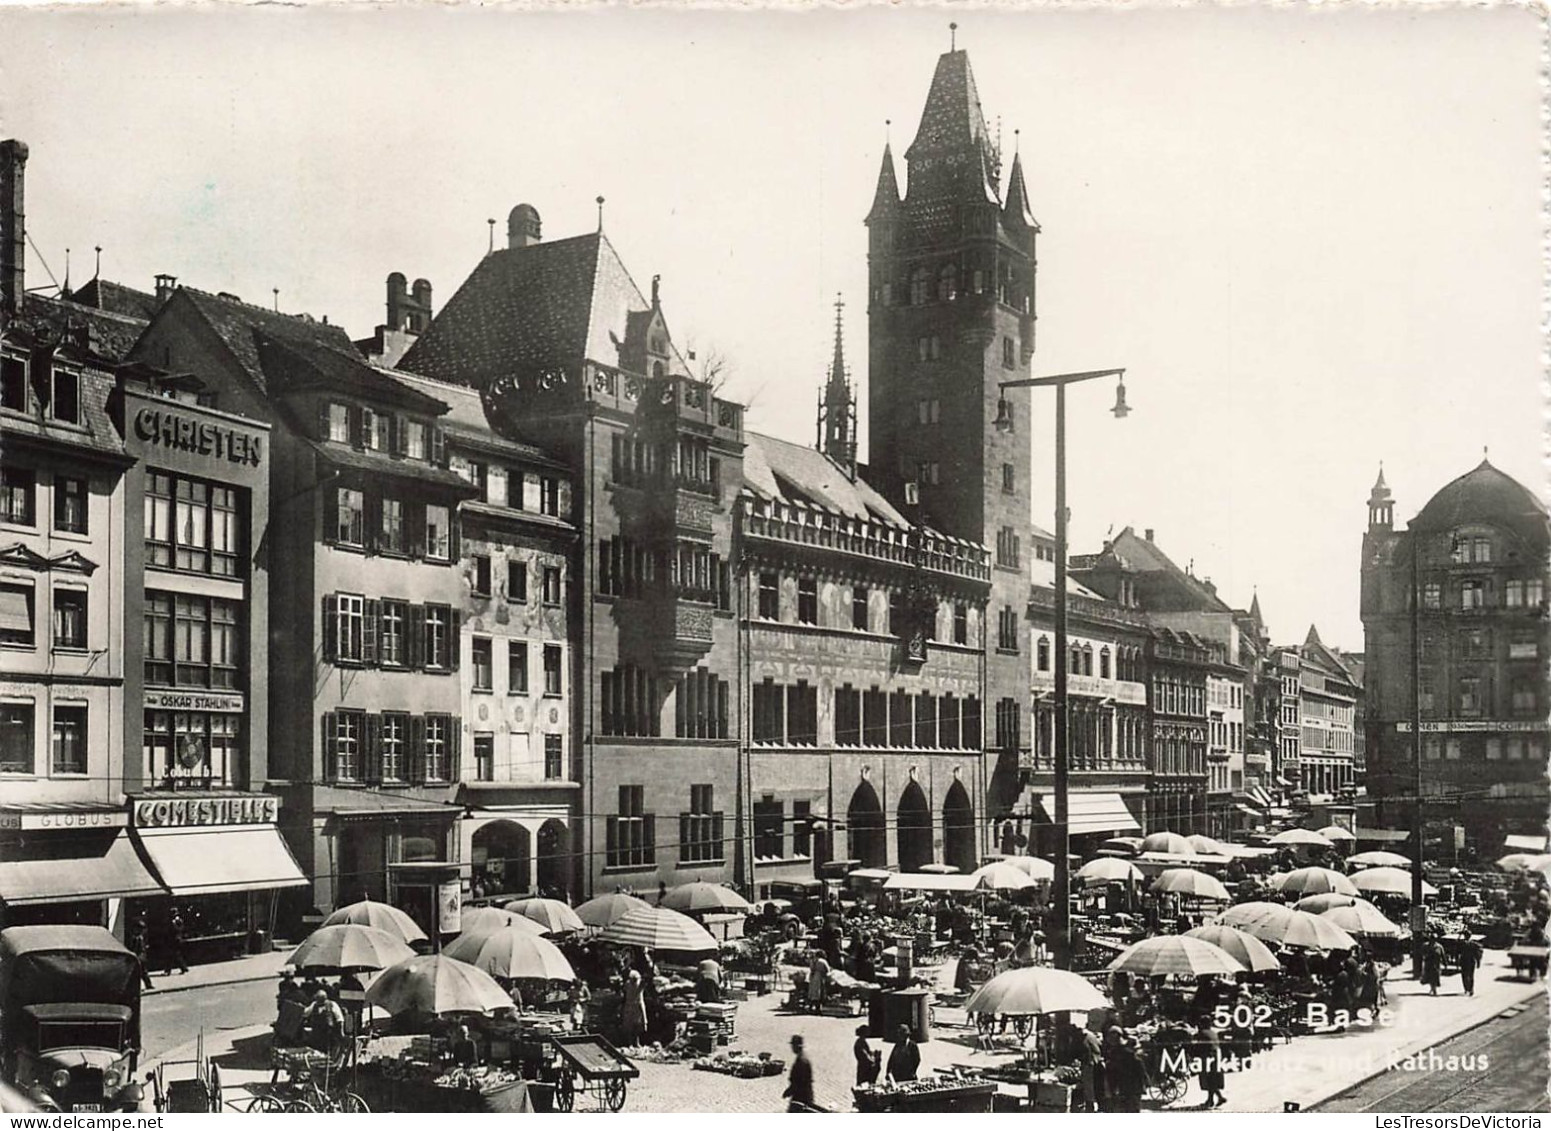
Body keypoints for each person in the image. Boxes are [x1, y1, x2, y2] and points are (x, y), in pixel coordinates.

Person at [1065, 1017, 1104, 1113]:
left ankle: (1089, 1108)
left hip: (1089, 1064)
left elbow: (1073, 1053)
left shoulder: (1078, 1037)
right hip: (1098, 1062)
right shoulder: (1090, 1035)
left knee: (1088, 1088)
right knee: (1097, 1087)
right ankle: (1099, 1106)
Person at [1192, 1018, 1226, 1108]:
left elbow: (1197, 1046)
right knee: (1212, 1079)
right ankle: (1216, 1098)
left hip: (1208, 1058)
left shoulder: (1202, 1033)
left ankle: (1212, 1100)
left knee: (1209, 1080)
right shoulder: (1213, 1032)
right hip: (1217, 1057)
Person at [302, 989, 346, 1057]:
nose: (320, 1003)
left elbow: (340, 1019)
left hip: (328, 1032)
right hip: (317, 1032)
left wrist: (341, 1032)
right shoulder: (314, 1004)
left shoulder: (332, 1004)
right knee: (318, 1050)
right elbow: (305, 1013)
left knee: (329, 1049)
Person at [783, 1035, 815, 1112]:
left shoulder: (801, 1061)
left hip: (801, 1096)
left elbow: (799, 1081)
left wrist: (789, 1091)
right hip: (803, 1095)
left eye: (793, 1045)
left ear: (797, 1046)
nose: (792, 1048)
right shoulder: (802, 1057)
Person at [621, 968, 647, 1046]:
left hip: (637, 1005)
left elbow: (643, 985)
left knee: (637, 1025)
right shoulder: (628, 984)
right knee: (629, 1025)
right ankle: (630, 1043)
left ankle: (636, 1042)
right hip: (630, 1005)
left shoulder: (638, 985)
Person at [129, 915, 154, 990]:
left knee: (141, 972)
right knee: (141, 972)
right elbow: (135, 948)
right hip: (139, 957)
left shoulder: (138, 937)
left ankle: (147, 985)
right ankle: (147, 985)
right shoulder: (137, 938)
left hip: (140, 957)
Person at [165, 906, 190, 976]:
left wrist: (174, 925)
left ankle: (170, 969)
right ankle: (182, 968)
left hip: (176, 940)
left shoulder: (177, 920)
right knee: (174, 955)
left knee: (173, 955)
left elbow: (180, 929)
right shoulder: (172, 920)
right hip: (173, 940)